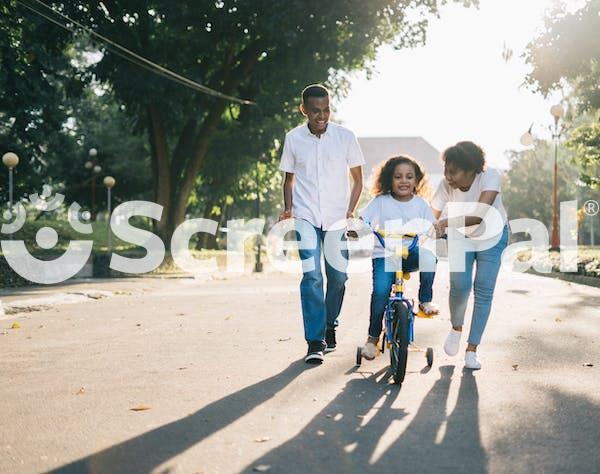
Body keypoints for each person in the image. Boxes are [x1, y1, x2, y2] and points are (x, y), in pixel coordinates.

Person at [279, 84, 365, 364]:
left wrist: (351, 211)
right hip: (305, 216)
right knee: (312, 276)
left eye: (326, 109)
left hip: (337, 218)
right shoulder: (293, 139)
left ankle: (330, 325)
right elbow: (288, 180)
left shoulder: (345, 137)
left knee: (338, 277)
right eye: (315, 111)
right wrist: (288, 208)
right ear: (304, 110)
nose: (321, 115)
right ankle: (315, 340)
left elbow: (358, 179)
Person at [431, 141, 509, 370]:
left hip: (492, 237)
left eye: (453, 171)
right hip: (461, 237)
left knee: (483, 290)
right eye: (446, 170)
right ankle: (456, 328)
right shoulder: (446, 185)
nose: (448, 176)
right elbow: (430, 213)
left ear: (472, 170)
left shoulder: (489, 176)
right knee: (459, 286)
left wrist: (444, 223)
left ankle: (472, 350)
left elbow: (479, 215)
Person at [359, 156, 439, 360]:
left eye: (409, 177)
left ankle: (425, 300)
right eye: (398, 177)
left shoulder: (421, 204)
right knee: (380, 292)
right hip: (386, 254)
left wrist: (437, 230)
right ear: (389, 179)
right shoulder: (381, 201)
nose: (404, 181)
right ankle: (372, 339)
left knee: (429, 257)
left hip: (410, 253)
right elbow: (364, 219)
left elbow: (432, 225)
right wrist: (357, 228)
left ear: (416, 180)